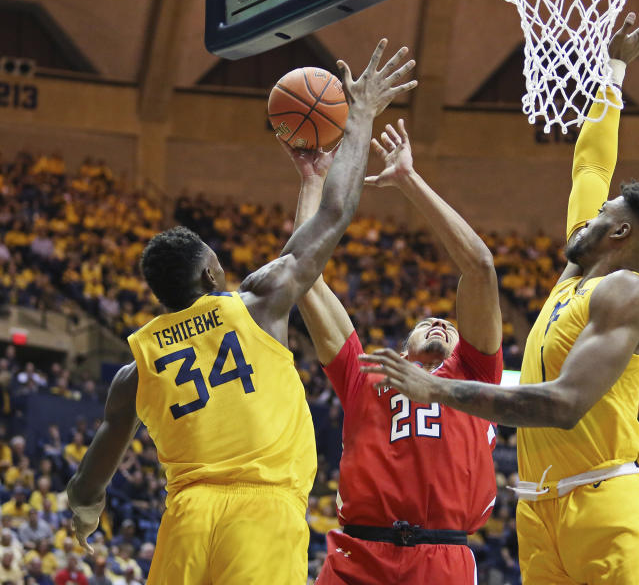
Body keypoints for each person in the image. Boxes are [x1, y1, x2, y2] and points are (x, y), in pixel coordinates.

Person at [356, 4, 639, 583]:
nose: (581, 220)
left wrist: (438, 387)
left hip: (607, 505)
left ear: (620, 233)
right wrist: (612, 68)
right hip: (537, 513)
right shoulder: (576, 273)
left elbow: (560, 406)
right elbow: (591, 166)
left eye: (601, 216)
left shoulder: (626, 293)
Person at [65, 38, 417, 584]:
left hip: (186, 518)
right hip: (262, 511)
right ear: (210, 273)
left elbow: (92, 475)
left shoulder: (135, 369)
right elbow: (337, 213)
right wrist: (361, 115)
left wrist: (85, 511)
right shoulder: (257, 304)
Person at [289, 117, 502, 584]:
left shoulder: (475, 375)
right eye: (428, 323)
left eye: (447, 325)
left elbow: (480, 267)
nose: (440, 324)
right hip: (357, 555)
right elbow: (302, 276)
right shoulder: (366, 373)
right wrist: (313, 180)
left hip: (441, 557)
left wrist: (408, 179)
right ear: (402, 347)